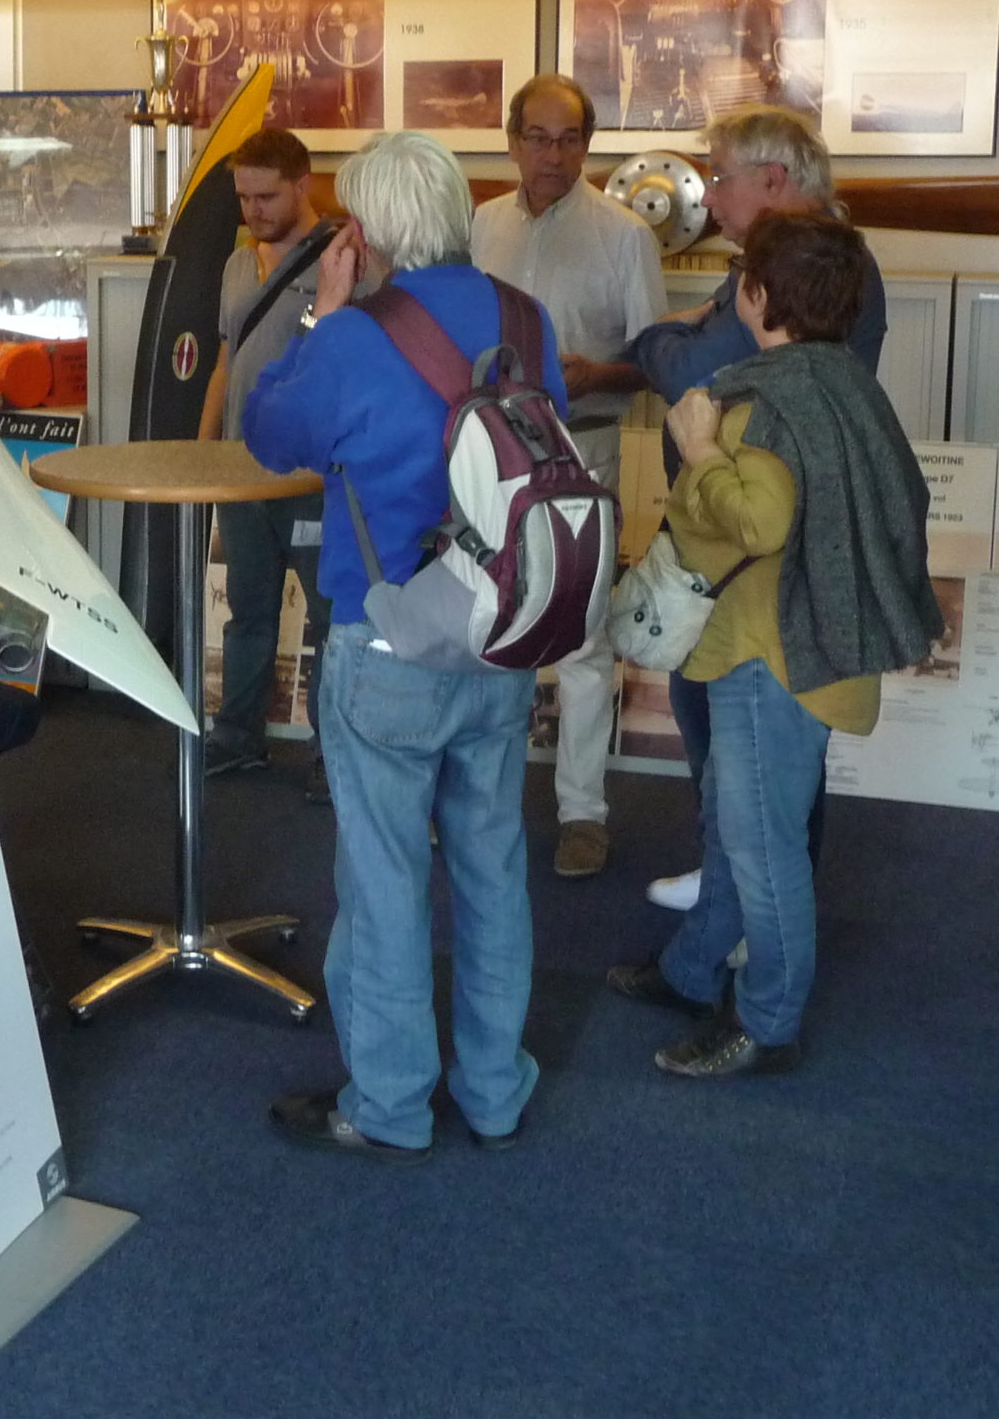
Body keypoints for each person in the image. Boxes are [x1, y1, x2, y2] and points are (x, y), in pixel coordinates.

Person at [244, 130, 559, 1162]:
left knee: (383, 882)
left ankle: (388, 1105)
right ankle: (494, 1090)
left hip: (386, 640)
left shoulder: (353, 338)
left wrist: (322, 315)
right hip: (503, 630)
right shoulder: (527, 319)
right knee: (491, 865)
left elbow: (269, 434)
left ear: (364, 231)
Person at [604, 211, 939, 1076]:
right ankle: (691, 970)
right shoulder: (844, 383)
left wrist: (700, 450)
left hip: (770, 652)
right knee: (734, 825)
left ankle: (768, 1023)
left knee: (761, 849)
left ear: (754, 295)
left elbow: (759, 520)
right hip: (809, 642)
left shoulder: (764, 399)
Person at [627, 104, 886, 912]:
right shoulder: (795, 256)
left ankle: (757, 913)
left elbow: (685, 368)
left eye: (719, 175)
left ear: (773, 178)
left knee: (759, 749)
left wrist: (656, 337)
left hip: (756, 546)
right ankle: (733, 889)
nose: (707, 193)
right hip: (733, 536)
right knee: (731, 734)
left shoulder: (805, 267)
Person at [470, 72, 665, 880]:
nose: (553, 156)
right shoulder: (480, 225)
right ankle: (479, 804)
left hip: (583, 452)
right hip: (486, 457)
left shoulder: (625, 236)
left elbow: (654, 361)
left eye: (570, 140)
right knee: (487, 625)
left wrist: (599, 375)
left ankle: (583, 813)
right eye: (538, 139)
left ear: (589, 145)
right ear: (513, 142)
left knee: (582, 639)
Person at [198, 127, 336, 795]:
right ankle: (237, 736)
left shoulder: (343, 261)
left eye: (267, 196)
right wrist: (202, 452)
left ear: (302, 185)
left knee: (332, 618)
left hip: (312, 476)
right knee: (248, 611)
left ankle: (334, 754)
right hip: (240, 473)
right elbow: (226, 362)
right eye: (244, 197)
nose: (253, 210)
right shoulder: (235, 265)